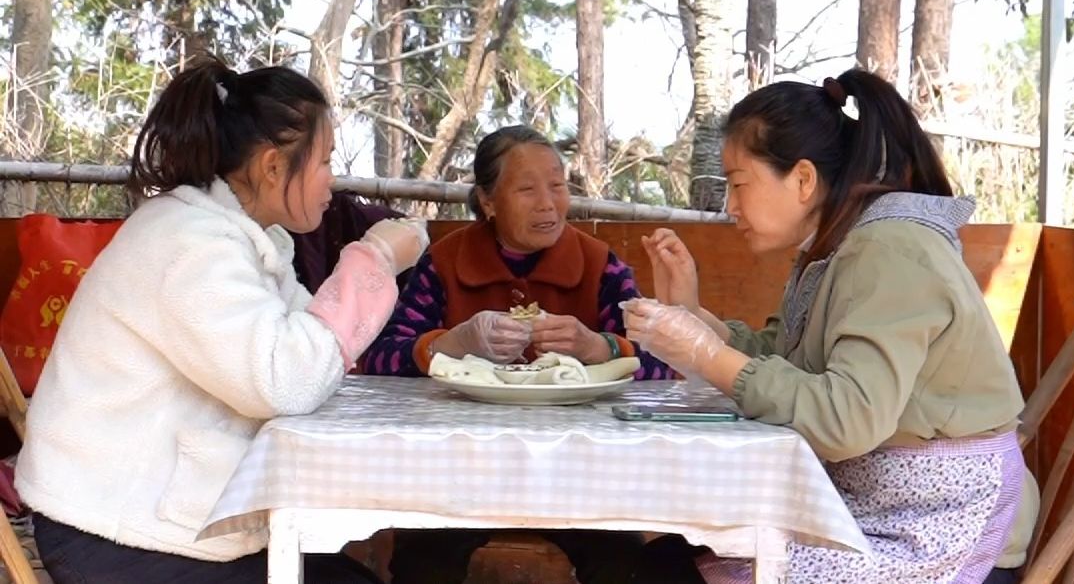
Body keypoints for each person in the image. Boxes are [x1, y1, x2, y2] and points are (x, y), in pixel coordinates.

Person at [15, 57, 428, 584]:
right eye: (324, 161)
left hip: (159, 514)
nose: (332, 179)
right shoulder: (190, 242)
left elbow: (315, 352)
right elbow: (287, 381)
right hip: (110, 530)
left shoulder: (249, 238)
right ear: (273, 166)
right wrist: (375, 260)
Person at [623, 69, 1038, 584]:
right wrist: (694, 319)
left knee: (673, 569)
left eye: (737, 184)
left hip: (936, 524)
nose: (730, 207)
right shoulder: (839, 245)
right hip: (876, 503)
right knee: (657, 556)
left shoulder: (889, 248)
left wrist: (707, 354)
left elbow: (847, 419)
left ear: (801, 178)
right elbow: (790, 356)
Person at [364, 124, 672, 584]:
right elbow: (377, 359)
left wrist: (600, 346)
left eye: (557, 186)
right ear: (488, 201)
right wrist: (452, 343)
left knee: (620, 562)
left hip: (580, 474)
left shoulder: (598, 264)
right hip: (460, 471)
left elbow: (665, 363)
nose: (548, 203)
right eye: (527, 189)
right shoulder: (446, 262)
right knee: (423, 561)